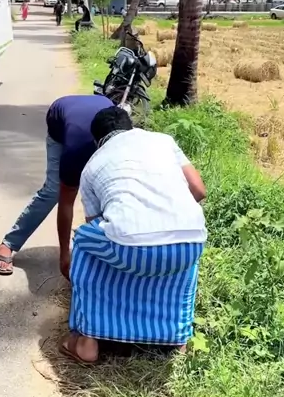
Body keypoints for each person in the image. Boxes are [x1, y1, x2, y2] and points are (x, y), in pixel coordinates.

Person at [60, 106, 207, 364]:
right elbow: (198, 190)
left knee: (85, 240)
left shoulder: (92, 165)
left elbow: (97, 223)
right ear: (131, 127)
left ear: (97, 140)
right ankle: (178, 339)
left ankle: (87, 341)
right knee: (177, 242)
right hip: (189, 245)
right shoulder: (164, 141)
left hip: (130, 248)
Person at [0, 94, 114, 277]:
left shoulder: (127, 143)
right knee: (53, 191)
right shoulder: (76, 147)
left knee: (106, 191)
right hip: (60, 119)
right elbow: (66, 199)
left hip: (94, 114)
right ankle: (8, 244)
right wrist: (65, 255)